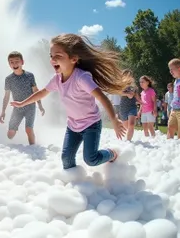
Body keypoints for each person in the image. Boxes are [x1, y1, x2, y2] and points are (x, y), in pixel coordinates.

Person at [10, 33, 127, 170]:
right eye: (51, 56)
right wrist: (22, 103)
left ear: (73, 59)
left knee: (91, 159)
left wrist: (114, 119)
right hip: (73, 126)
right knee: (66, 160)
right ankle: (75, 183)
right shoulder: (57, 79)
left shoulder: (81, 78)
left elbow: (102, 97)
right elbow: (42, 93)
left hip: (91, 124)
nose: (53, 60)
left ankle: (111, 153)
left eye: (58, 56)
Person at [0, 51, 45, 144]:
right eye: (11, 62)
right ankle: (14, 134)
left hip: (30, 106)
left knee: (28, 129)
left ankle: (33, 149)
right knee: (10, 134)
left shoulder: (29, 76)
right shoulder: (8, 79)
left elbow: (36, 91)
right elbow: (6, 96)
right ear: (9, 64)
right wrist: (3, 111)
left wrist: (40, 105)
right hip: (17, 108)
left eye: (17, 61)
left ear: (22, 62)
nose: (14, 64)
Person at [118, 69, 140, 141]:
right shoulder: (120, 85)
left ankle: (128, 141)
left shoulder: (134, 86)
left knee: (131, 125)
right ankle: (126, 140)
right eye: (126, 75)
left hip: (132, 107)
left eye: (129, 75)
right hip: (123, 107)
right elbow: (118, 92)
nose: (128, 76)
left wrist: (141, 102)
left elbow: (132, 96)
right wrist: (127, 93)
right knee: (126, 127)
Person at [167, 58, 180, 139]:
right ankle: (168, 146)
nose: (170, 72)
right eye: (169, 70)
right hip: (174, 109)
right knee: (170, 127)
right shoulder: (176, 81)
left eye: (172, 69)